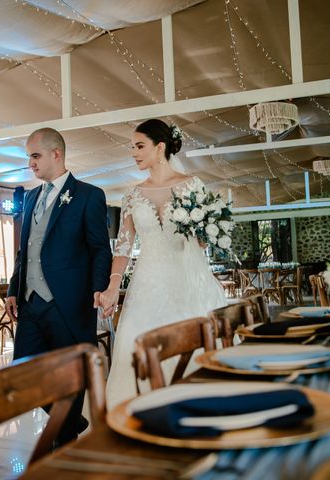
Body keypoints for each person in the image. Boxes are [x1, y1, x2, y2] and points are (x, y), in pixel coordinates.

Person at [95, 118, 227, 409]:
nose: (134, 152)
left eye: (140, 146)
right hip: (147, 285)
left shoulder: (192, 185)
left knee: (193, 347)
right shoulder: (131, 195)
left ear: (161, 147)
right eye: (132, 147)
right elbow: (124, 245)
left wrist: (203, 229)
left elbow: (204, 243)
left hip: (187, 283)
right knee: (136, 346)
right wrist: (112, 287)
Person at [6, 127, 112, 446]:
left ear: (57, 154)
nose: (31, 164)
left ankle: (63, 447)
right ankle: (72, 421)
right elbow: (25, 251)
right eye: (28, 158)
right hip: (31, 302)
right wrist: (13, 288)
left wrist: (99, 288)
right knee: (21, 377)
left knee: (71, 378)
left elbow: (99, 249)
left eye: (35, 156)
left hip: (71, 302)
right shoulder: (30, 196)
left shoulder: (89, 195)